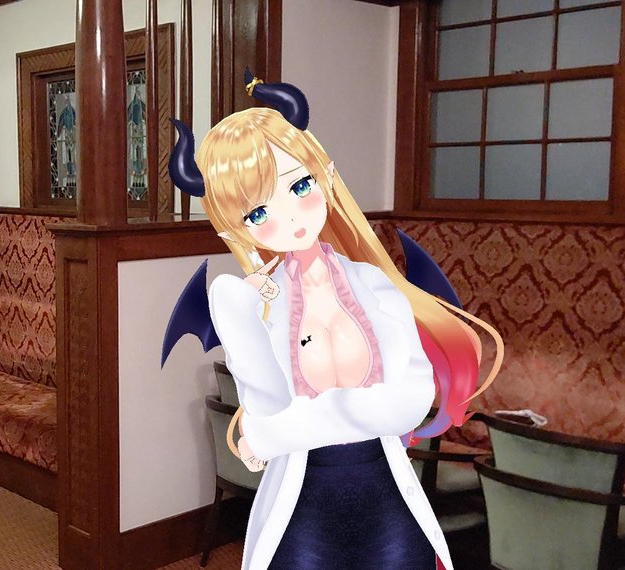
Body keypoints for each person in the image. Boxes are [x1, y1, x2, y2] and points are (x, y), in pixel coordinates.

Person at [167, 74, 503, 570]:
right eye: (258, 214)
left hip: (386, 495)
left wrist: (291, 426)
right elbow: (265, 414)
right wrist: (237, 312)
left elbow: (409, 404)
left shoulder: (374, 284)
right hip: (299, 504)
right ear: (236, 228)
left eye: (299, 186)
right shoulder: (254, 304)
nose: (290, 217)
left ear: (323, 174)